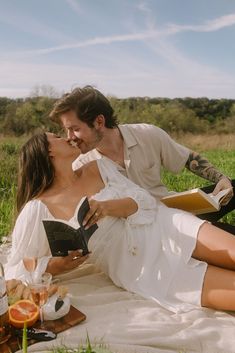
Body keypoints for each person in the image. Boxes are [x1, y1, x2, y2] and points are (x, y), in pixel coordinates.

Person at [4, 132, 235, 313]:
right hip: (139, 264)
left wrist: (108, 208)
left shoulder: (98, 166)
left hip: (165, 225)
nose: (66, 137)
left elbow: (146, 202)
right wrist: (57, 265)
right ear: (49, 153)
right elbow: (17, 265)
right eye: (55, 137)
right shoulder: (37, 208)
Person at [49, 86, 235, 233]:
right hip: (152, 232)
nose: (69, 136)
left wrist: (221, 179)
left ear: (99, 122)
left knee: (233, 186)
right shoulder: (82, 165)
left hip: (177, 208)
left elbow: (188, 158)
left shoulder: (147, 134)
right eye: (67, 130)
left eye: (74, 128)